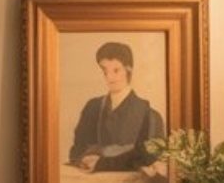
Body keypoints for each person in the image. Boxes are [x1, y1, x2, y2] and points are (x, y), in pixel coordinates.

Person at [68, 41, 166, 175]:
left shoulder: (150, 115)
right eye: (104, 70)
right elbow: (77, 150)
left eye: (116, 70)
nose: (109, 77)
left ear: (128, 69)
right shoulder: (93, 107)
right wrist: (85, 158)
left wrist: (102, 162)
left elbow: (147, 157)